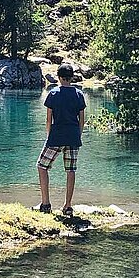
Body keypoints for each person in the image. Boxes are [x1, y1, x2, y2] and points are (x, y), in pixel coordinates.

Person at [36, 63, 86, 217]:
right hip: (73, 137)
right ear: (71, 77)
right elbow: (81, 121)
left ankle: (45, 204)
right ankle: (68, 206)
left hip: (56, 136)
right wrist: (78, 135)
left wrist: (48, 136)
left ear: (58, 77)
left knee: (41, 166)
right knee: (70, 170)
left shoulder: (53, 94)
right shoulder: (79, 95)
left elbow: (48, 120)